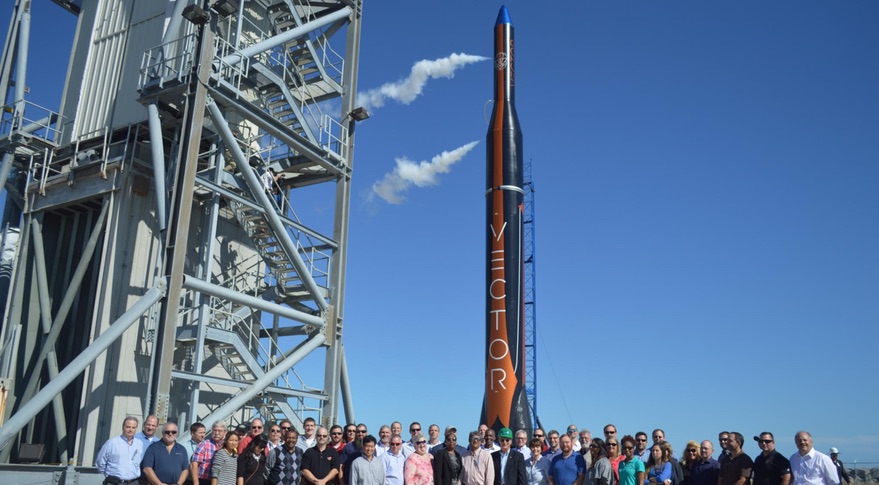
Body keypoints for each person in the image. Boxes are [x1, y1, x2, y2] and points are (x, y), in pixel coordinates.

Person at [96, 416, 144, 485]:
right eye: (128, 427)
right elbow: (100, 462)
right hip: (114, 482)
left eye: (133, 427)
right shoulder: (112, 443)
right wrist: (108, 476)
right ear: (123, 427)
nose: (130, 430)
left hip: (133, 482)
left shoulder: (139, 444)